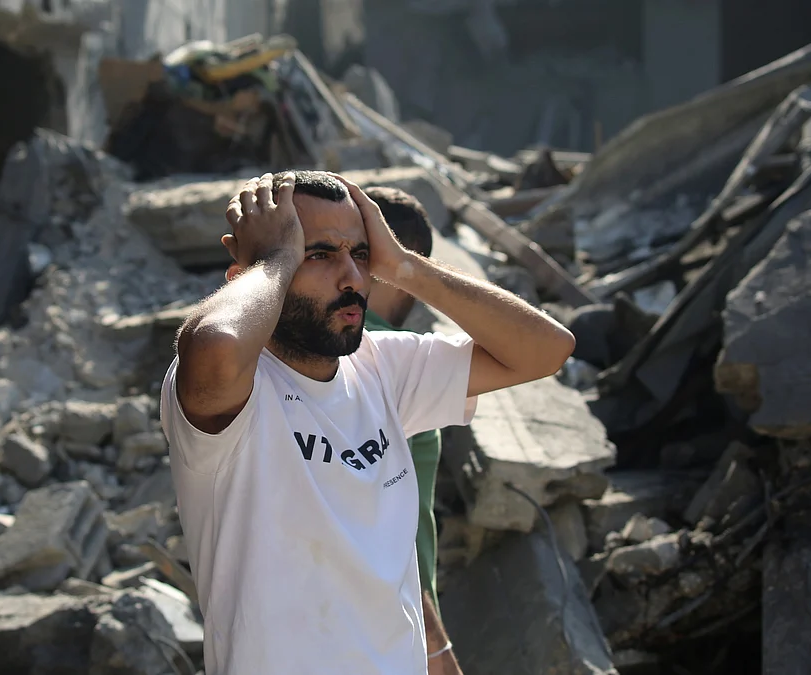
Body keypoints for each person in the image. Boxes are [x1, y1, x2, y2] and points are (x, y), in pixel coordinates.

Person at [160, 170, 575, 675]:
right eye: (317, 254)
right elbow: (217, 347)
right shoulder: (235, 392)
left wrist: (403, 266)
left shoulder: (385, 369)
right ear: (246, 274)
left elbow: (547, 350)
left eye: (358, 255)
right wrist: (273, 259)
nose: (352, 279)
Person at [360, 186, 459, 675]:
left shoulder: (316, 351)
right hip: (392, 637)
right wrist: (437, 650)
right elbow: (376, 523)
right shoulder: (387, 361)